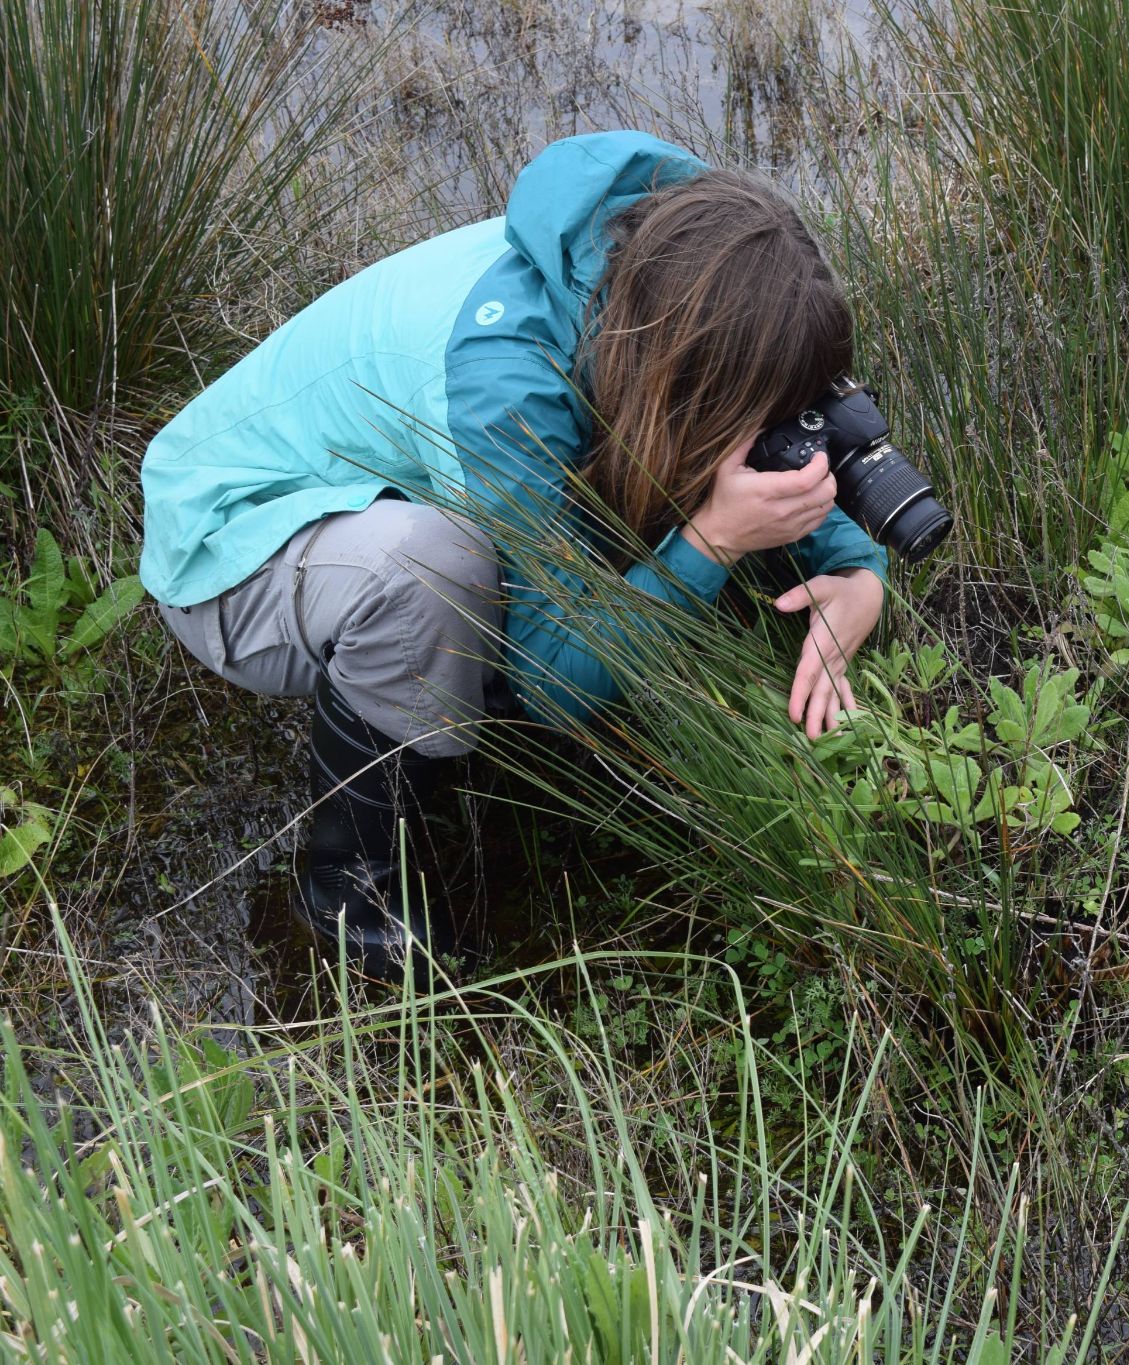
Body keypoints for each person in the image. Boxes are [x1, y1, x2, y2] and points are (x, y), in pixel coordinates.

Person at [140, 131, 889, 981]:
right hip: (230, 547)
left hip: (387, 486)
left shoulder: (669, 263)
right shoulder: (507, 387)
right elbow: (552, 684)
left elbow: (784, 418)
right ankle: (350, 891)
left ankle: (456, 692)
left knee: (518, 547)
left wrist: (856, 568)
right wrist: (710, 541)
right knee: (430, 568)